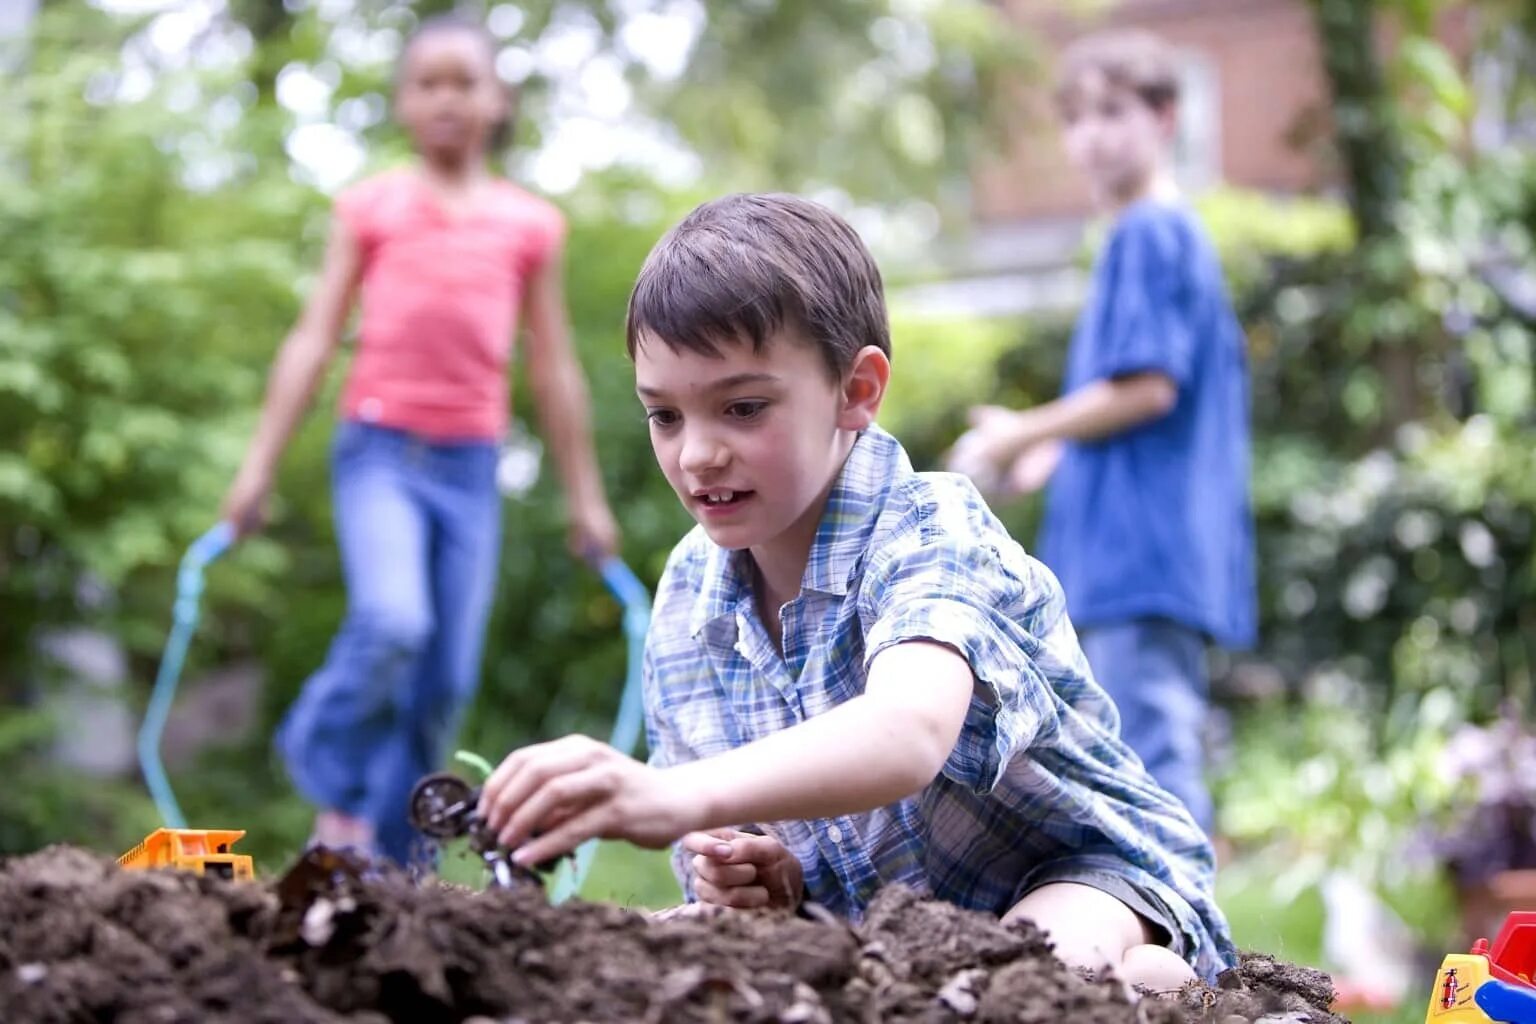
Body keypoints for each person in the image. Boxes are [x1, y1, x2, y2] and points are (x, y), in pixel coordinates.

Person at [475, 193, 1236, 988]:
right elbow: (736, 854)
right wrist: (764, 881)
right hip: (891, 941)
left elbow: (906, 732)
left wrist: (667, 795)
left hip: (1084, 873)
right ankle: (1144, 992)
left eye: (742, 407)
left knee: (1025, 976)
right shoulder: (688, 600)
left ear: (856, 391)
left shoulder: (928, 528)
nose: (697, 454)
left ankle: (1166, 989)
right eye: (665, 416)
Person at [221, 13, 618, 863]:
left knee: (444, 684)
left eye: (465, 81)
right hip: (379, 454)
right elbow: (312, 340)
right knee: (393, 622)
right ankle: (325, 769)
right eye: (429, 82)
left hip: (471, 468)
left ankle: (395, 869)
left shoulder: (528, 224)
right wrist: (255, 471)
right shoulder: (370, 207)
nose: (447, 99)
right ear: (404, 101)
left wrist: (586, 499)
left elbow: (553, 369)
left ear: (496, 99)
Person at [947, 30, 1256, 834]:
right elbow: (1125, 397)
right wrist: (1049, 450)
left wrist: (1016, 434)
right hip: (1134, 549)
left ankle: (1194, 952)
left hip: (1142, 552)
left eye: (1114, 112)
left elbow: (1148, 388)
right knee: (1135, 754)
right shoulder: (1146, 237)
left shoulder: (1151, 232)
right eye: (1076, 118)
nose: (1092, 136)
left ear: (1166, 117)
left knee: (1150, 757)